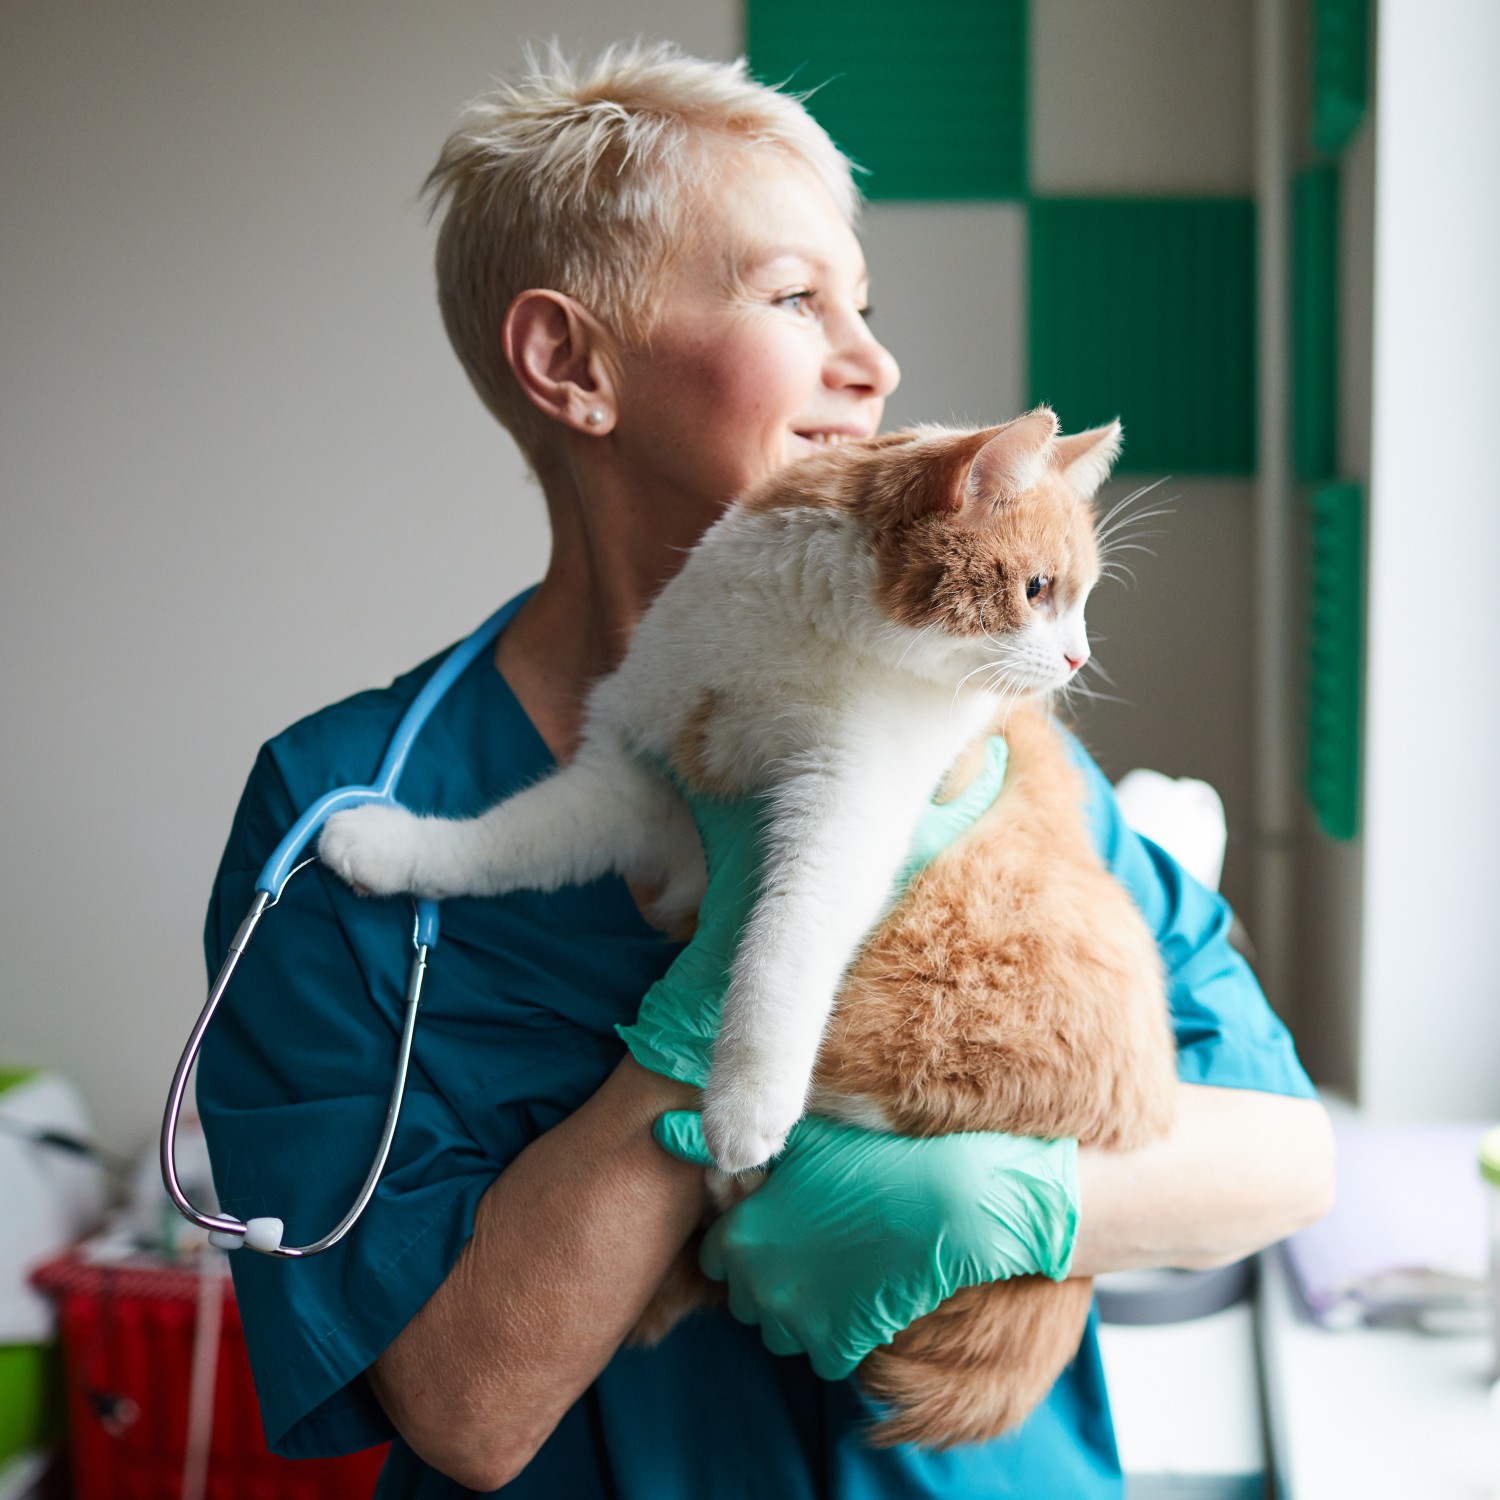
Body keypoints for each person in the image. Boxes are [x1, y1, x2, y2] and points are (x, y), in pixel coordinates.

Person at [197, 42, 1335, 1498]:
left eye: (869, 305)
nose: (876, 365)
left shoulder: (965, 722)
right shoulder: (344, 810)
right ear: (570, 364)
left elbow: (1290, 1157)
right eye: (798, 299)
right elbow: (464, 1414)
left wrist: (1023, 1200)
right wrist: (704, 1022)